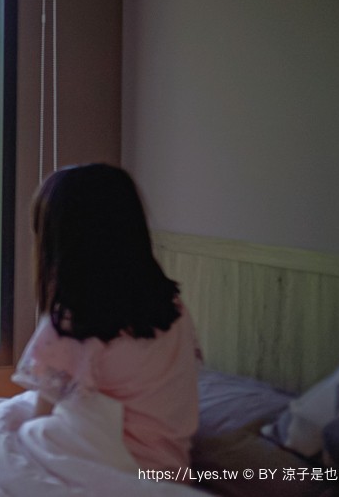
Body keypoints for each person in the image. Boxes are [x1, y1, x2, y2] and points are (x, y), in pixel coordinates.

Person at [13, 163, 201, 474]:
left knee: (16, 438)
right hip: (170, 465)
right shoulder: (171, 307)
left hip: (113, 465)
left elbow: (42, 416)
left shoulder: (77, 323)